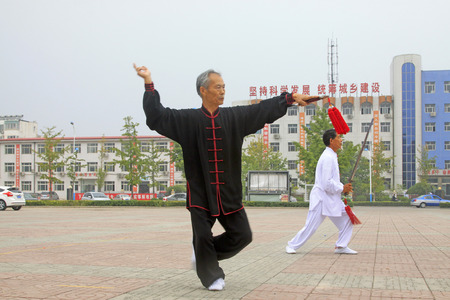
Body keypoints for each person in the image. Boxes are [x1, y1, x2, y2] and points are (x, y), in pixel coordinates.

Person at [134, 64, 316, 291]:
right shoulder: (187, 120)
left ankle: (204, 256)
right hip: (200, 193)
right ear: (203, 90)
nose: (222, 91)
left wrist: (290, 99)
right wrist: (148, 82)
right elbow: (156, 116)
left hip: (228, 192)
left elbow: (261, 110)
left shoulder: (234, 117)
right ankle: (211, 275)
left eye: (224, 87)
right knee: (202, 236)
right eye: (218, 87)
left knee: (243, 236)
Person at [285, 129, 357, 255]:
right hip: (321, 199)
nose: (341, 140)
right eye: (339, 138)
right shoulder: (328, 157)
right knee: (311, 226)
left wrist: (342, 188)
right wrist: (342, 188)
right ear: (331, 140)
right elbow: (326, 183)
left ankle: (341, 246)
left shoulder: (332, 155)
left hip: (332, 199)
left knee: (348, 219)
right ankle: (292, 245)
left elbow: (332, 180)